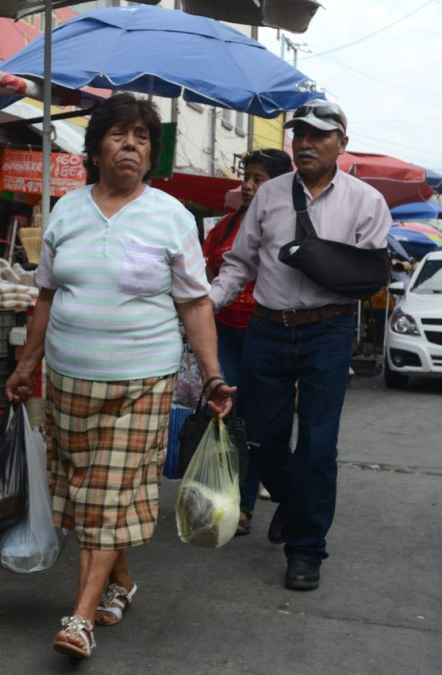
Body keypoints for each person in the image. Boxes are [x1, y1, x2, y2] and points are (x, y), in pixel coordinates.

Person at [5, 93, 234, 661]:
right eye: (118, 134)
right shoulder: (66, 210)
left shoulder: (171, 215)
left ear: (151, 154)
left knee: (106, 496)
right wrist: (27, 364)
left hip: (142, 380)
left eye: (141, 138)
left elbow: (196, 304)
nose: (130, 145)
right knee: (90, 497)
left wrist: (211, 375)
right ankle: (121, 583)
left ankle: (79, 618)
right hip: (67, 379)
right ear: (96, 146)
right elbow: (47, 295)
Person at [209, 100, 392, 591]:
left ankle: (306, 550)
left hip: (328, 332)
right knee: (261, 438)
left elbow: (368, 276)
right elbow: (239, 263)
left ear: (341, 144)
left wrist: (327, 266)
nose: (306, 143)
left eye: (319, 135)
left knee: (317, 444)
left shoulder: (366, 201)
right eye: (299, 134)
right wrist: (207, 304)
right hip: (267, 330)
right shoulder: (268, 195)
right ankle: (293, 500)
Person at [201, 148, 293, 536]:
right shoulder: (223, 227)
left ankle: (251, 504)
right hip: (223, 332)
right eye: (247, 177)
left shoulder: (289, 225)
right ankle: (223, 500)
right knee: (227, 417)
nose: (250, 186)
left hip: (266, 333)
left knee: (256, 423)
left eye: (259, 178)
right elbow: (205, 273)